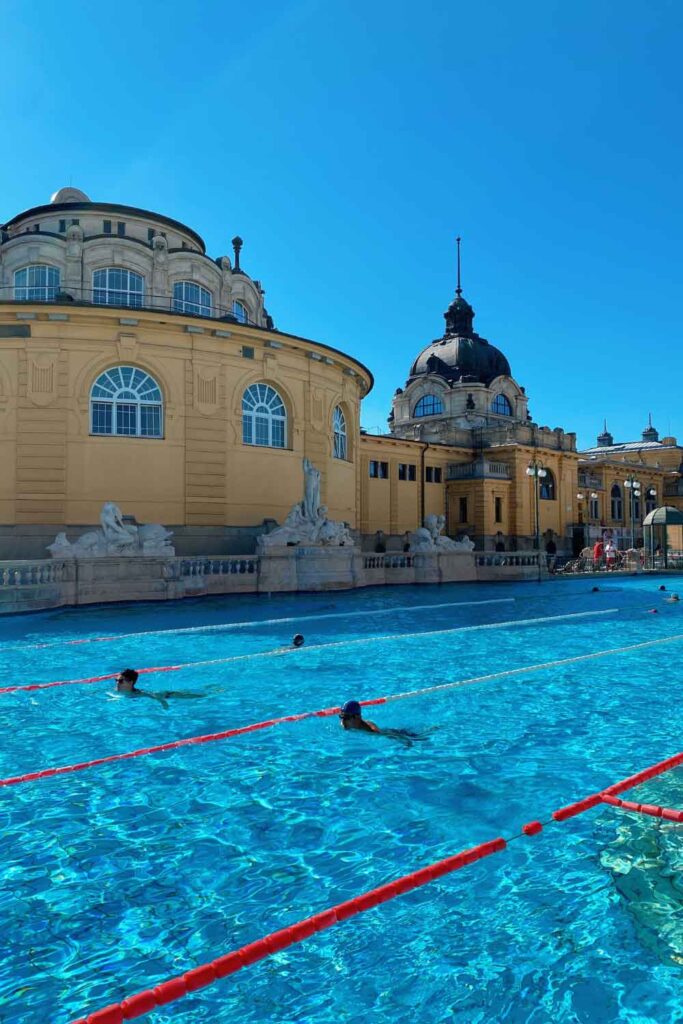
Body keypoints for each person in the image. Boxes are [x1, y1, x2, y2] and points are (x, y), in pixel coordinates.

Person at [339, 699, 431, 746]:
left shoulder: (371, 730)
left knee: (419, 737)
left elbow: (390, 735)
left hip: (393, 732)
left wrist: (406, 742)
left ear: (357, 717)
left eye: (346, 717)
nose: (343, 721)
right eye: (341, 717)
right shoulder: (344, 723)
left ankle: (432, 729)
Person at [115, 668, 204, 709]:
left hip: (167, 695)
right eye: (116, 680)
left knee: (200, 696)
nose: (117, 683)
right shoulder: (116, 691)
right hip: (162, 694)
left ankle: (214, 691)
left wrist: (165, 705)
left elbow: (156, 697)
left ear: (131, 682)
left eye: (121, 681)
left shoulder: (138, 693)